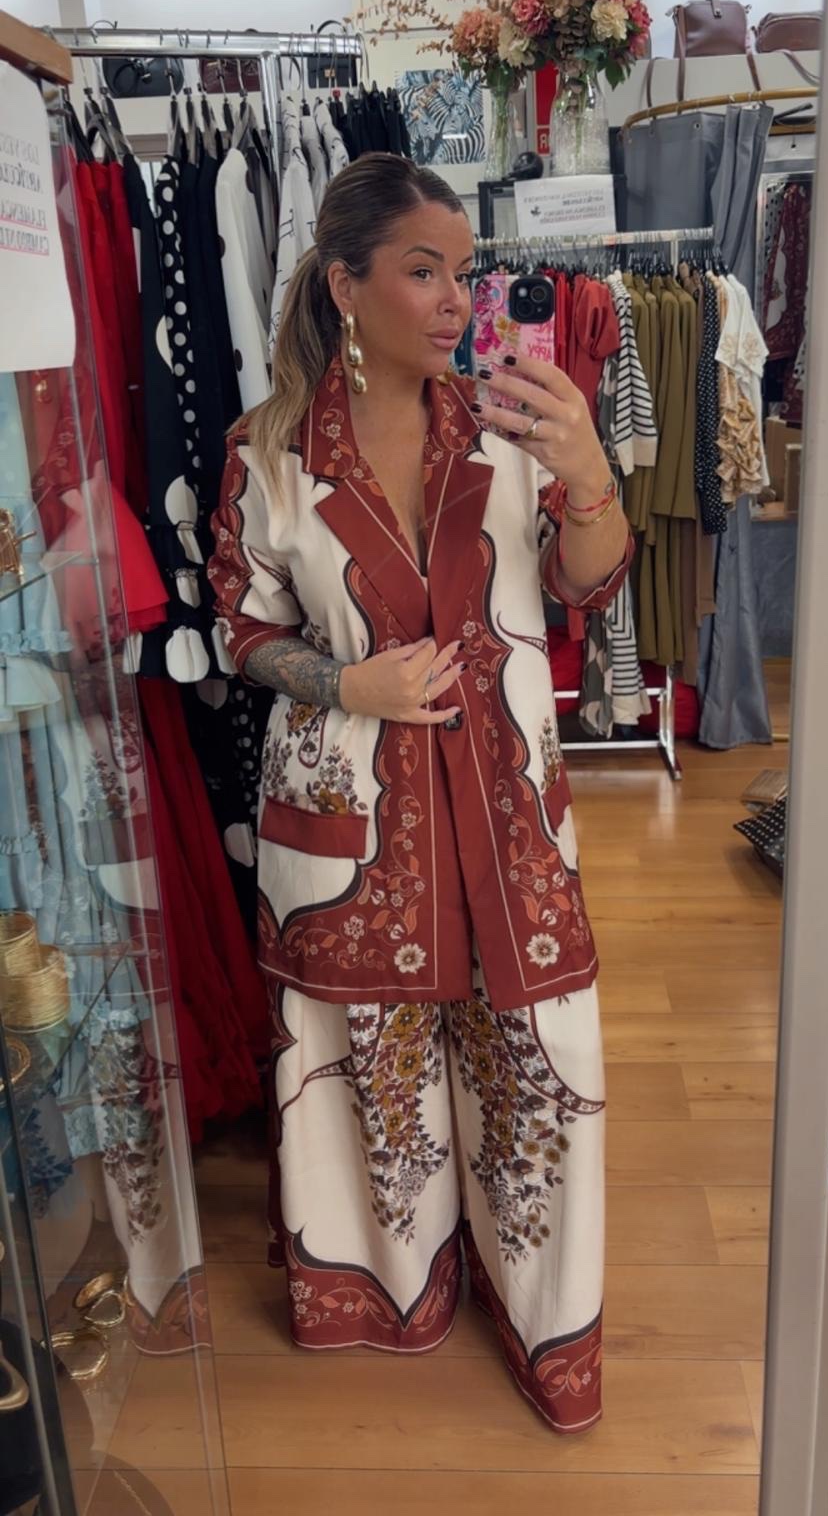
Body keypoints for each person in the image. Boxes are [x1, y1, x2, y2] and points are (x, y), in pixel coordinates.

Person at [209, 152, 633, 1434]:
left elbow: (589, 580)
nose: (457, 300)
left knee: (536, 1058)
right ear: (347, 285)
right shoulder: (270, 454)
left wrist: (588, 466)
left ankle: (540, 1316)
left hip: (508, 815)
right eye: (423, 271)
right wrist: (347, 683)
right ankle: (392, 1289)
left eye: (464, 272)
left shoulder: (509, 426)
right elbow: (241, 629)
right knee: (371, 1068)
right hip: (352, 827)